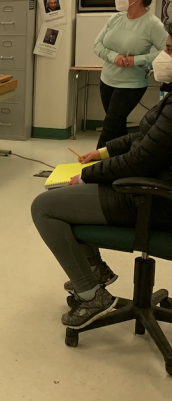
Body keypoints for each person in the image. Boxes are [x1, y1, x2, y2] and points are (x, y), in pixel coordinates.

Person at [31, 23, 172, 331]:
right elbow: (145, 137)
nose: (163, 57)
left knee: (44, 207)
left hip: (155, 199)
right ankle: (95, 272)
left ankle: (91, 293)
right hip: (153, 188)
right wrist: (104, 152)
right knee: (61, 202)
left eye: (170, 51)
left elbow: (140, 160)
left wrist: (87, 176)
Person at [93, 0, 167, 148]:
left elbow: (166, 51)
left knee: (109, 128)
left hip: (131, 85)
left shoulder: (153, 24)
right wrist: (114, 57)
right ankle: (123, 165)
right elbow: (97, 45)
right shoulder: (115, 19)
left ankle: (92, 169)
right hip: (107, 80)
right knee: (117, 127)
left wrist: (138, 60)